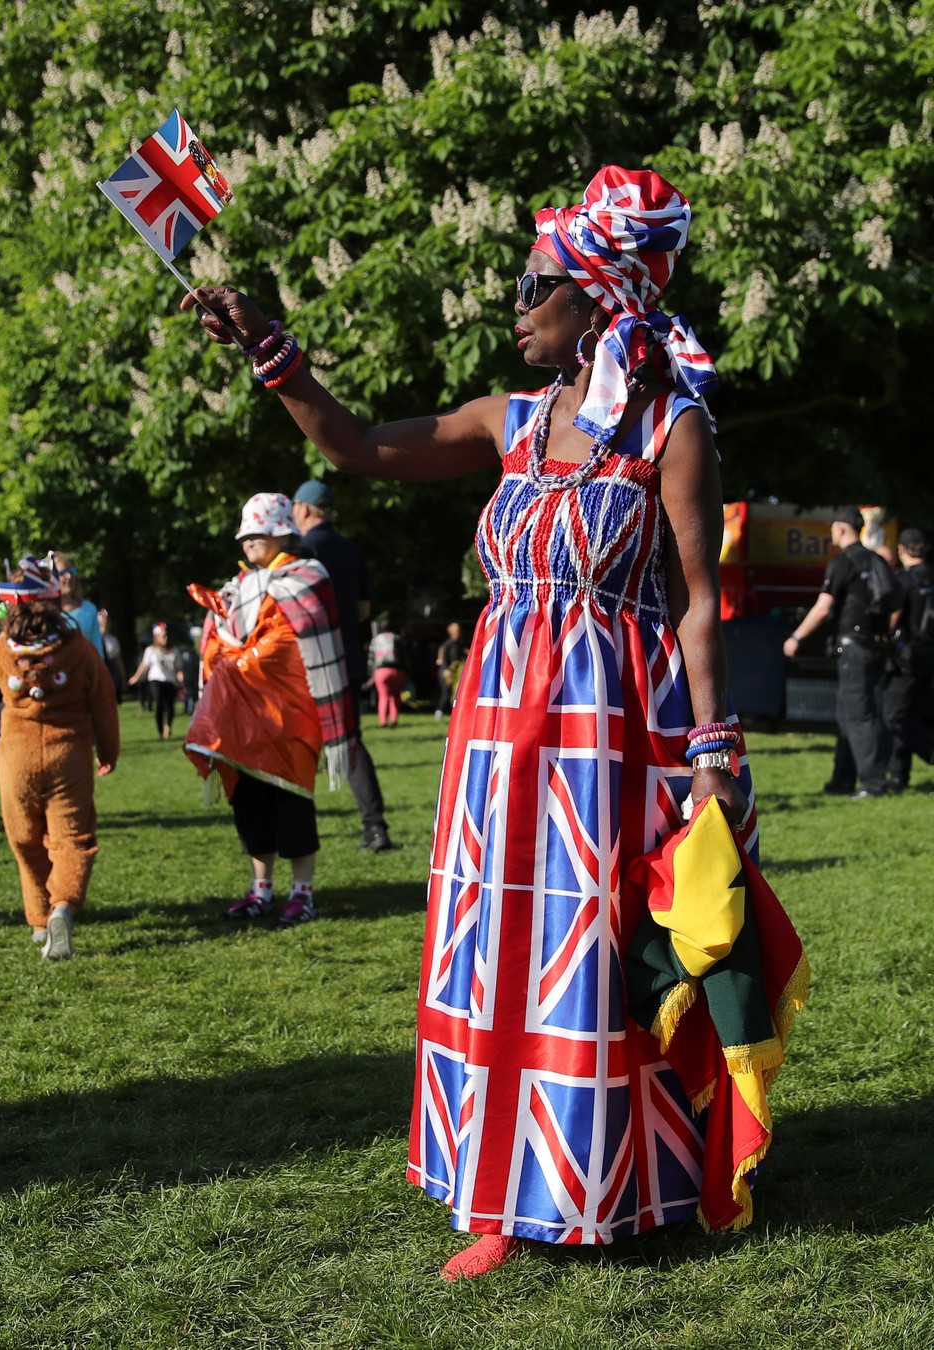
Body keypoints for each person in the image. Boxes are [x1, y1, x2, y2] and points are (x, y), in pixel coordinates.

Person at [183, 165, 802, 1280]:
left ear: (602, 297)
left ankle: (631, 1182)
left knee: (605, 956)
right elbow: (355, 445)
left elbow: (701, 601)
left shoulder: (671, 426)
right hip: (498, 739)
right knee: (502, 958)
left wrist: (715, 758)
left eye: (535, 282)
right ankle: (503, 1199)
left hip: (617, 735)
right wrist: (270, 348)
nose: (514, 302)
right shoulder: (507, 423)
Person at [185, 492, 354, 926]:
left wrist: (240, 661)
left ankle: (303, 894)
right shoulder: (236, 588)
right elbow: (217, 643)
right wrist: (225, 655)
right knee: (250, 806)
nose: (248, 543)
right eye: (244, 537)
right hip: (242, 723)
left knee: (292, 803)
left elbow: (283, 645)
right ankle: (260, 890)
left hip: (290, 718)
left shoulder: (307, 577)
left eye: (257, 534)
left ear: (281, 533)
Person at [0, 555, 119, 959]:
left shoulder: (3, 651)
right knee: (72, 838)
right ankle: (62, 905)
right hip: (70, 753)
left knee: (25, 839)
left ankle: (39, 917)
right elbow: (103, 702)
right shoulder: (77, 648)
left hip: (17, 756)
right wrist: (108, 749)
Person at [291, 479, 396, 852]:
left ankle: (291, 834)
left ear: (302, 510)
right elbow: (364, 612)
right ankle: (375, 828)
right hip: (347, 659)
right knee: (350, 743)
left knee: (295, 745)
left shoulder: (301, 552)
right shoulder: (353, 552)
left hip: (307, 665)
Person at [783, 506, 898, 797]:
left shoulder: (843, 562)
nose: (831, 531)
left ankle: (873, 785)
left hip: (853, 647)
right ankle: (842, 781)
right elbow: (896, 603)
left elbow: (824, 607)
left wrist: (797, 636)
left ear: (842, 528)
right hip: (875, 646)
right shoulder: (877, 560)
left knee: (859, 715)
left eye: (833, 526)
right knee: (849, 714)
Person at [883, 526, 934, 791]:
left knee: (894, 717)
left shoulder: (903, 579)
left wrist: (883, 637)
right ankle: (898, 777)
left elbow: (893, 616)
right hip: (929, 657)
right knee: (912, 715)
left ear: (901, 549)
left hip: (907, 658)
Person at [127, 623, 185, 739]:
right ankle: (160, 732)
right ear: (156, 637)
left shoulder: (174, 651)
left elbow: (178, 667)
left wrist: (180, 676)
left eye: (166, 635)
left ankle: (167, 727)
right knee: (159, 703)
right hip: (156, 679)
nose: (165, 638)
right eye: (163, 636)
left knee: (170, 707)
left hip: (170, 681)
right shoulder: (151, 650)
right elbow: (144, 665)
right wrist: (136, 677)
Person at [53, 552, 106, 659]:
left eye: (72, 571)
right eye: (63, 572)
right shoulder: (44, 612)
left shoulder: (89, 609)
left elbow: (98, 652)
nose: (69, 576)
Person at [368, 612, 407, 728]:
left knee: (383, 696)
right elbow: (404, 656)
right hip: (396, 670)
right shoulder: (397, 638)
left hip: (381, 671)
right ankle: (394, 719)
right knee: (395, 696)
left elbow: (371, 659)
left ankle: (383, 721)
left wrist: (371, 674)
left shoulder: (376, 640)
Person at [434, 620, 466, 720]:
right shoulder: (447, 645)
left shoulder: (460, 644)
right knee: (446, 693)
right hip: (447, 672)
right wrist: (445, 671)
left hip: (457, 672)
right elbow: (443, 660)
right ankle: (439, 712)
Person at [97, 608, 127, 702]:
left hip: (109, 669)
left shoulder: (113, 640)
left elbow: (118, 660)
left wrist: (123, 677)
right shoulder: (91, 639)